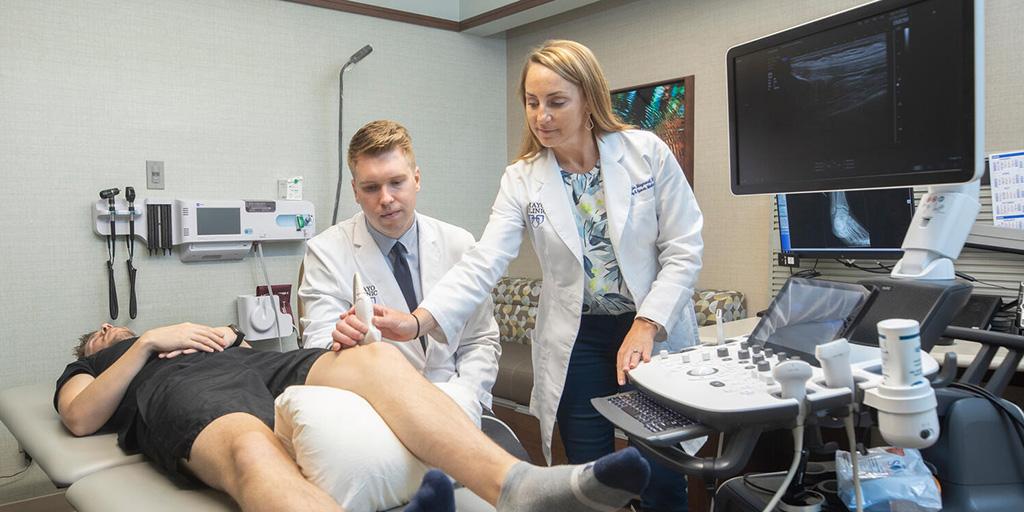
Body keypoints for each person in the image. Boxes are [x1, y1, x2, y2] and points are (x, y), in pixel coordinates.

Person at [334, 40, 703, 511]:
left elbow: (684, 245)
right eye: (532, 103)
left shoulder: (644, 153)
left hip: (651, 330)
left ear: (588, 99)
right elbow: (485, 259)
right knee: (590, 475)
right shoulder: (523, 178)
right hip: (579, 337)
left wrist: (648, 322)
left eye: (556, 102)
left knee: (661, 472)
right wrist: (418, 321)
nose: (541, 116)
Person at [57, 322, 650, 512]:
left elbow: (257, 346)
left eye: (118, 328)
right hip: (182, 394)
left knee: (370, 356)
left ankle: (515, 485)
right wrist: (144, 345)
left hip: (257, 364)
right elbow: (81, 418)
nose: (111, 330)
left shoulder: (192, 330)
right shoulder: (112, 360)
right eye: (101, 334)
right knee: (250, 447)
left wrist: (219, 336)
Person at [299, 119, 500, 423]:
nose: (386, 199)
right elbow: (318, 346)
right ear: (355, 191)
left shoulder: (459, 244)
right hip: (376, 411)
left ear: (416, 179)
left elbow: (480, 339)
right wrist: (338, 340)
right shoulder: (325, 252)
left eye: (396, 182)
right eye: (371, 187)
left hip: (456, 401)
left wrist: (464, 400)